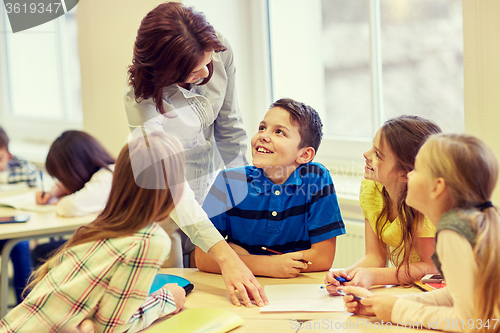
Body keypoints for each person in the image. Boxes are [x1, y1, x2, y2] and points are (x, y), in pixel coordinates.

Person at [124, 2, 266, 307]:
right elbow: (173, 191)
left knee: (218, 284)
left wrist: (241, 198)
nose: (205, 73)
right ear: (165, 72)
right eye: (192, 70)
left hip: (208, 188)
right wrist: (226, 257)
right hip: (162, 204)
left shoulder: (218, 47)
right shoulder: (142, 100)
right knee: (178, 298)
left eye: (208, 61)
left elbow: (230, 128)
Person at [0, 131, 187, 332]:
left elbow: (99, 320)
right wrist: (165, 300)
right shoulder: (150, 239)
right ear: (172, 186)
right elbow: (111, 328)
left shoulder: (99, 226)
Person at [340, 133, 500, 333]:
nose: (409, 175)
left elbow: (469, 322)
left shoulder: (453, 232)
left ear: (437, 186)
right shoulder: (468, 222)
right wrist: (382, 304)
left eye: (417, 169)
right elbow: (454, 296)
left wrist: (397, 311)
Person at [195, 98, 345, 277]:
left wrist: (237, 256)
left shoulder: (316, 179)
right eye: (262, 127)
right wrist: (267, 265)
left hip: (296, 289)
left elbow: (322, 258)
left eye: (279, 132)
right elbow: (203, 257)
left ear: (304, 154)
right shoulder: (229, 182)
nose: (263, 136)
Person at [326, 116, 441, 292]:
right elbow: (375, 257)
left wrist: (372, 277)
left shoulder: (427, 206)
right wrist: (346, 275)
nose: (366, 154)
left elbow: (432, 269)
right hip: (407, 288)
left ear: (405, 174)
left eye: (378, 154)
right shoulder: (372, 188)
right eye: (373, 146)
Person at [32, 130, 115, 268]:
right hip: (111, 242)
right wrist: (55, 192)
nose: (63, 182)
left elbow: (70, 206)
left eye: (63, 177)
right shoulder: (106, 173)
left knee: (42, 252)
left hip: (114, 248)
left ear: (75, 168)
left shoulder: (106, 177)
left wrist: (60, 200)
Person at [0, 126, 37, 305]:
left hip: (15, 231)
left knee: (21, 246)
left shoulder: (23, 168)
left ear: (8, 153)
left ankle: (26, 306)